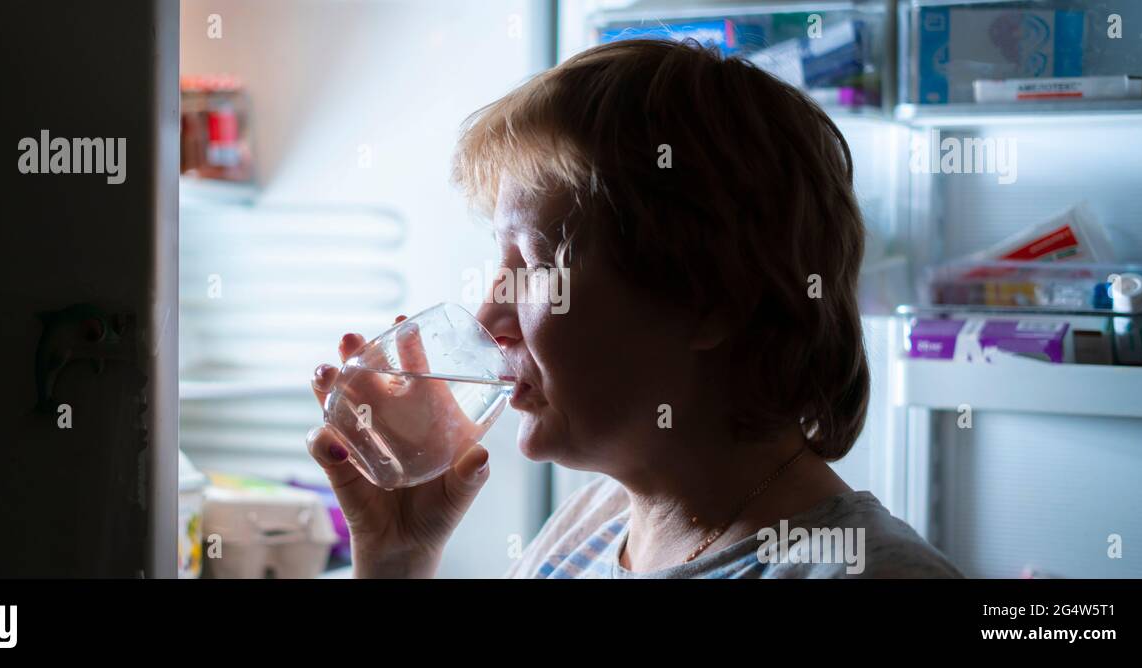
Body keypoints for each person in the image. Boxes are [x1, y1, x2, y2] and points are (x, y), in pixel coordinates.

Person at [307, 38, 962, 579]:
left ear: (710, 299)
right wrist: (399, 559)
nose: (488, 318)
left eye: (536, 266)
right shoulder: (591, 527)